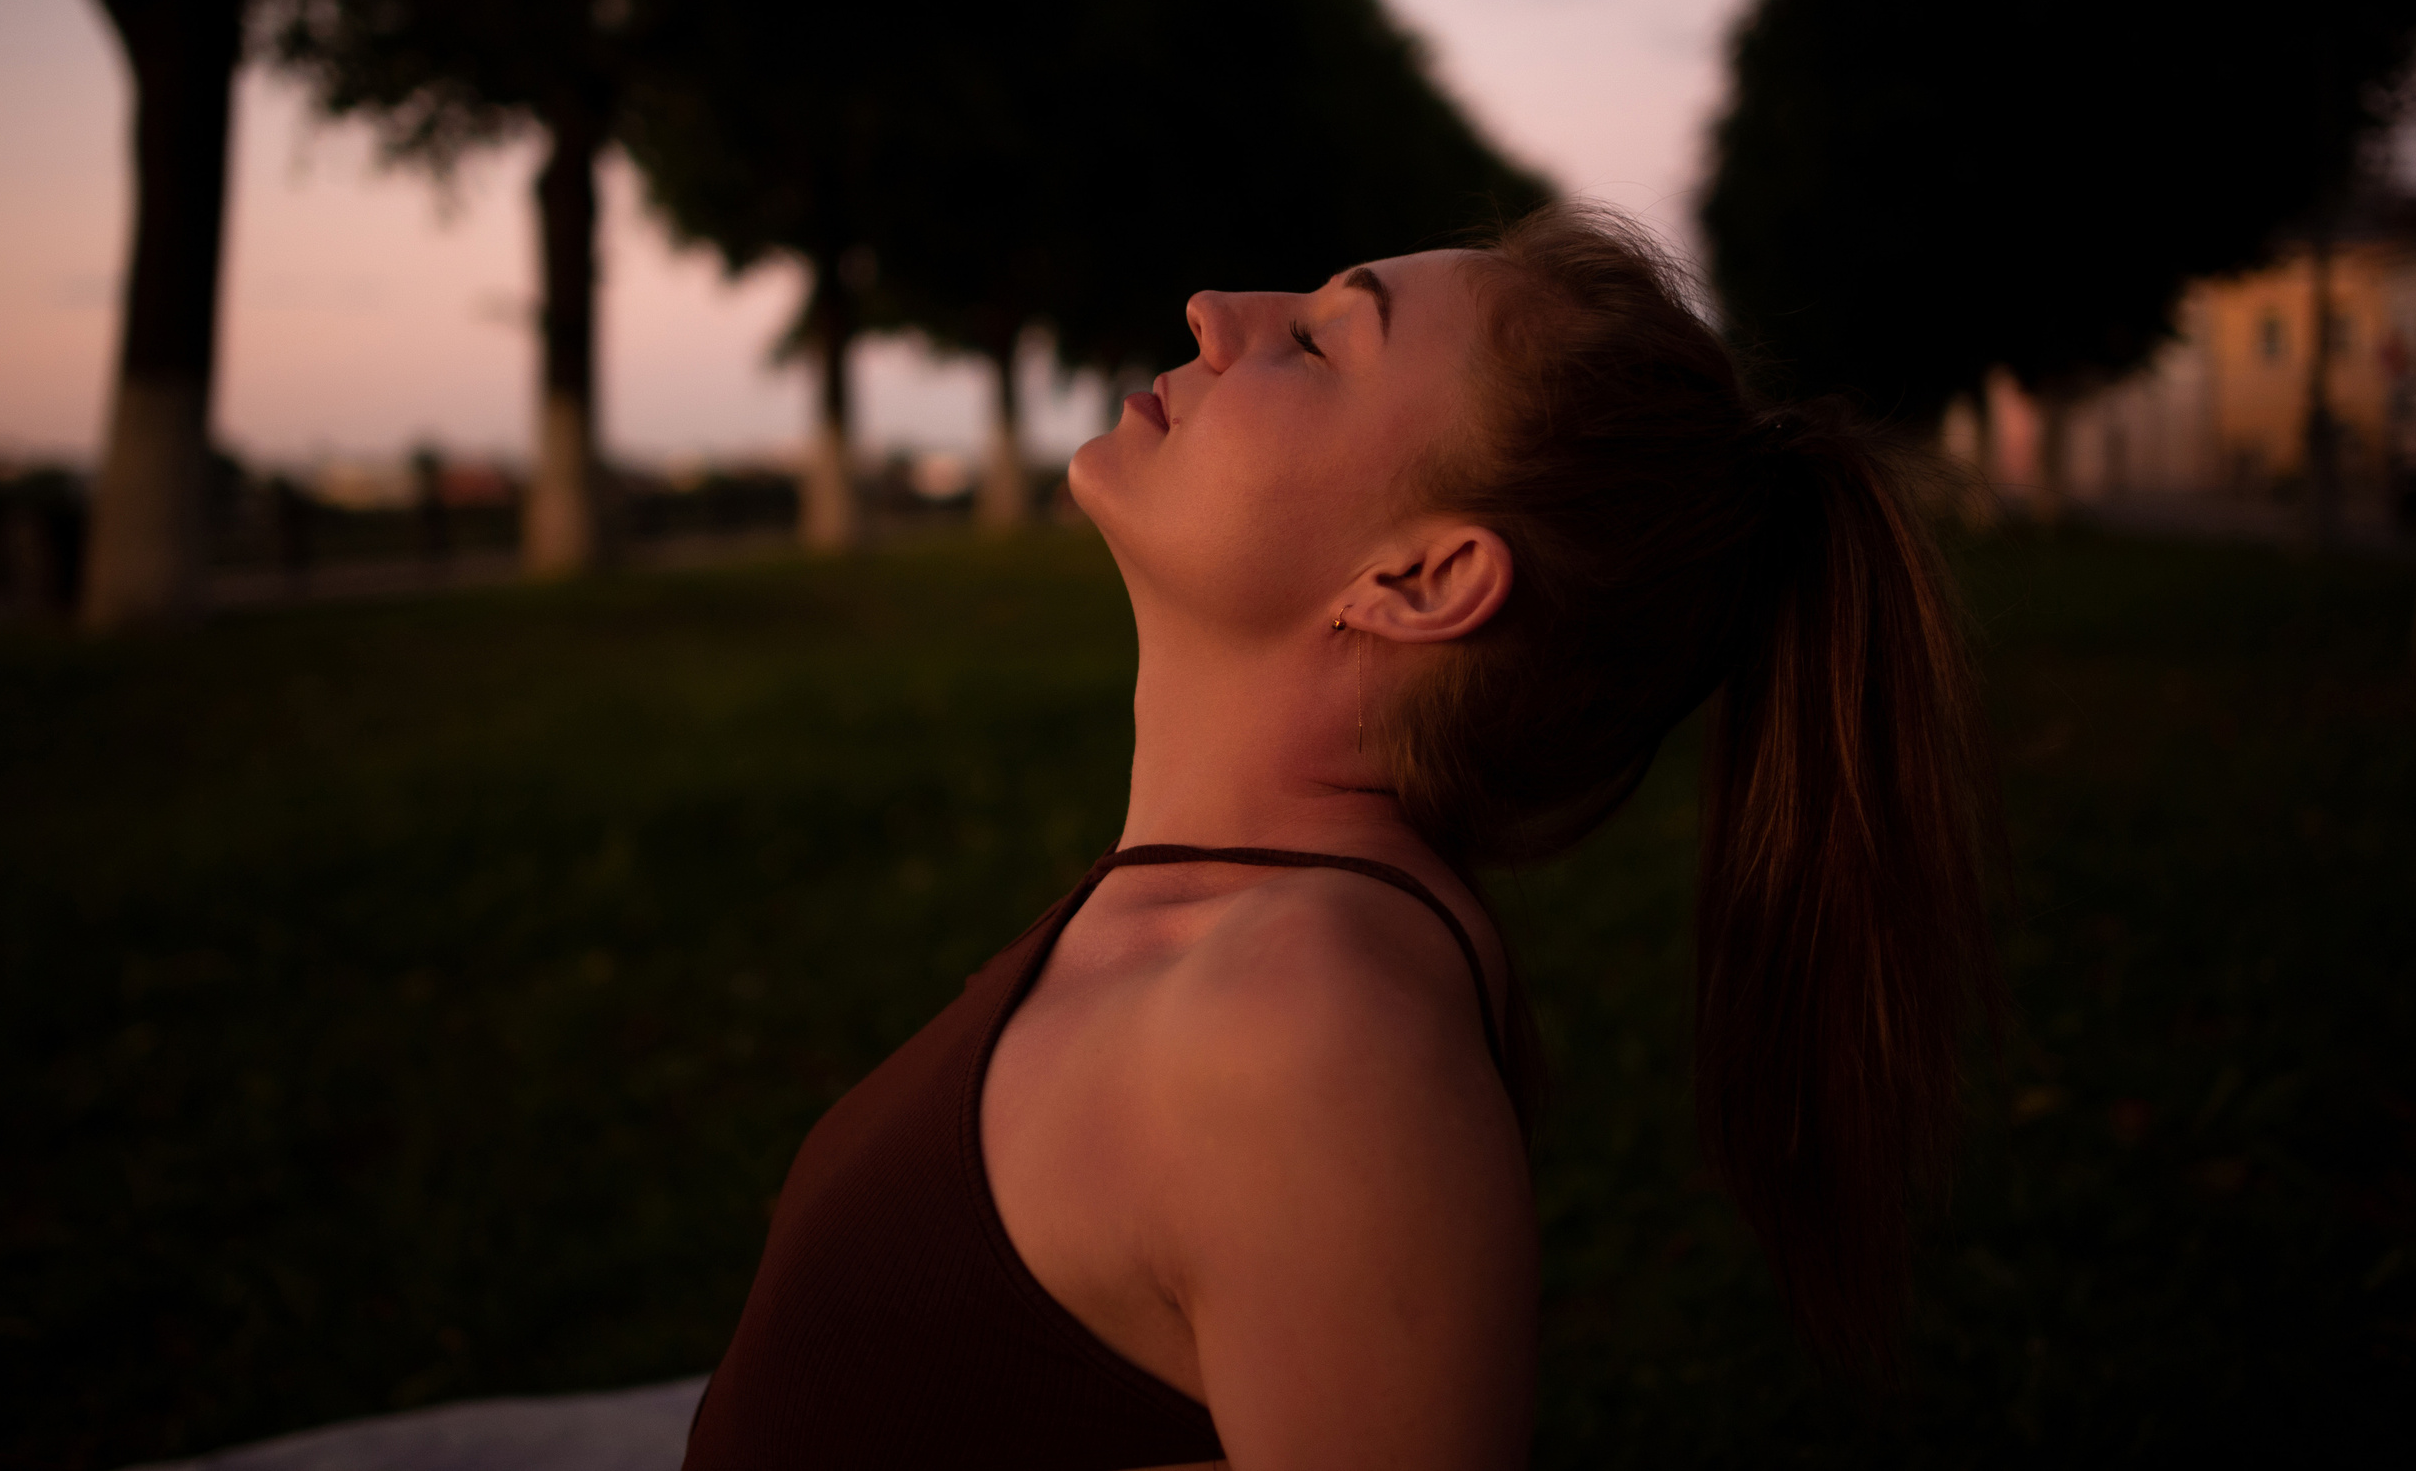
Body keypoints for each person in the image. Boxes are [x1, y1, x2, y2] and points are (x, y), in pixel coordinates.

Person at [682, 202, 1999, 1470]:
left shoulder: (1310, 1034)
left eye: (1316, 341)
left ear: (1422, 580)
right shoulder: (1241, 928)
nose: (1212, 311)